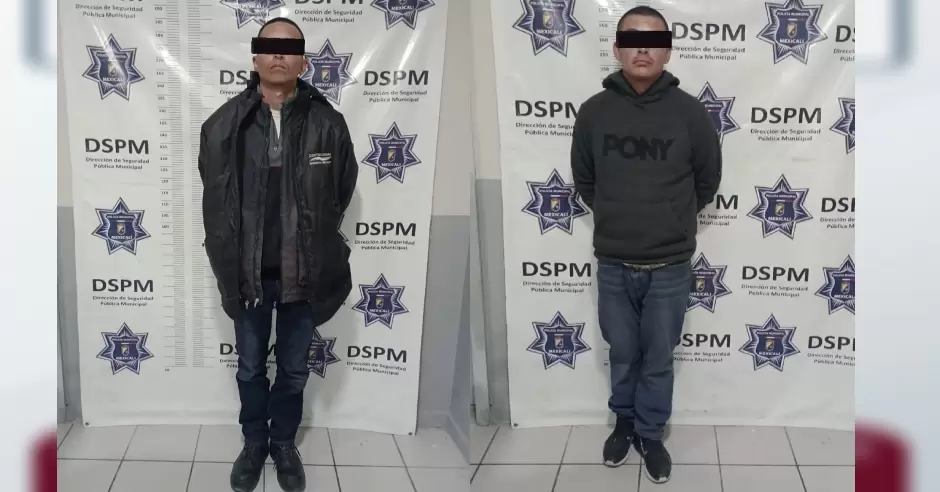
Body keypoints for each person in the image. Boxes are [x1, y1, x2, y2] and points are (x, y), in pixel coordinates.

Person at [198, 17, 358, 492]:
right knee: (250, 367)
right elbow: (214, 194)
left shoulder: (329, 124)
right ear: (255, 57)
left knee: (292, 370)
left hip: (304, 274)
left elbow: (340, 191)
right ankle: (254, 443)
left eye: (289, 48)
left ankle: (283, 444)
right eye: (269, 46)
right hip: (248, 275)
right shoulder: (225, 125)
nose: (278, 55)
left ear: (303, 61)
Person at [569, 6, 722, 485]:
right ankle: (624, 424)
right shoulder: (593, 112)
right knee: (622, 353)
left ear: (667, 51)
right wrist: (621, 214)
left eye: (653, 40)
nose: (642, 48)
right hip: (614, 263)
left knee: (657, 358)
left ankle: (651, 434)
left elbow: (707, 180)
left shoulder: (690, 113)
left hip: (669, 265)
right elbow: (586, 181)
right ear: (617, 48)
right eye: (632, 39)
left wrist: (670, 217)